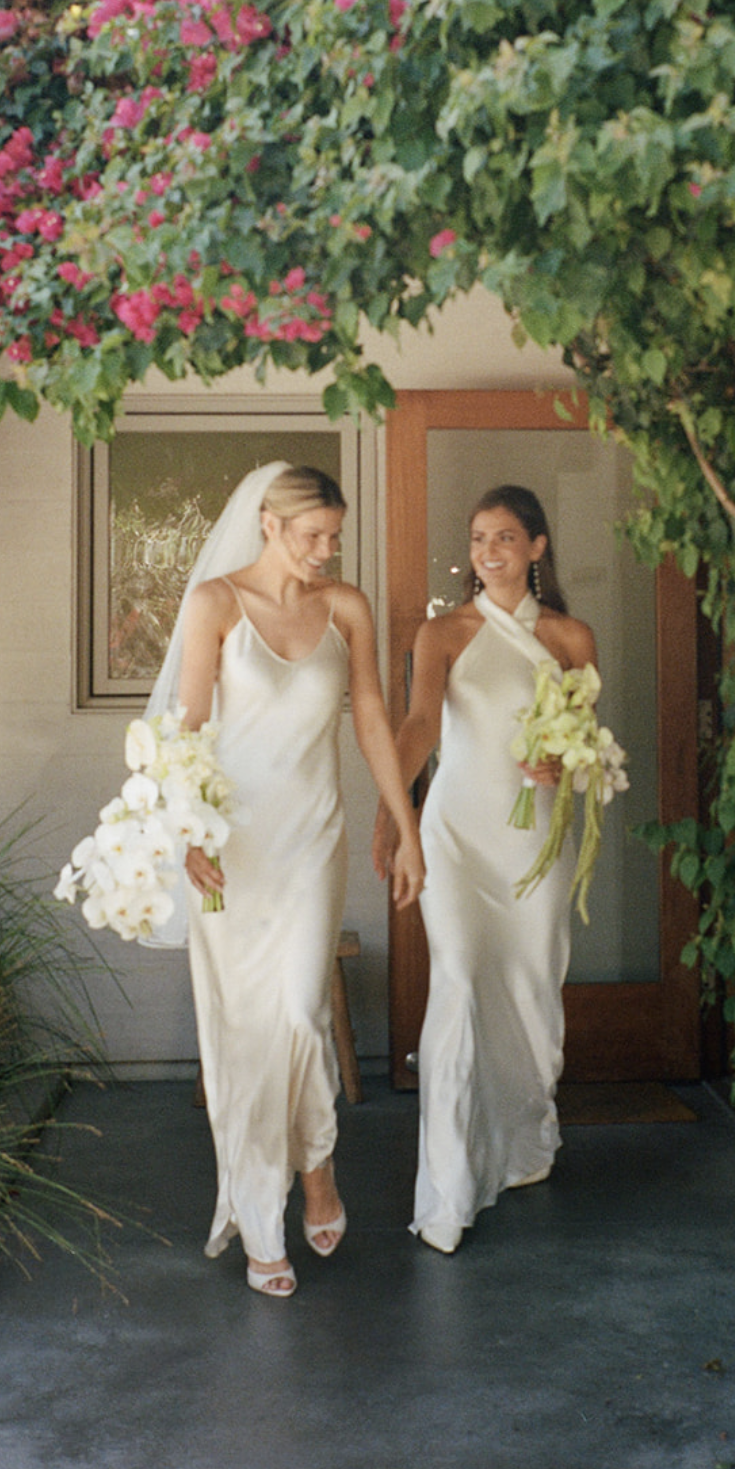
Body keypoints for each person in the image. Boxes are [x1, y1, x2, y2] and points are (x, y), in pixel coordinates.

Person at [145, 461, 425, 1297]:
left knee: (301, 1014)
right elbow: (188, 727)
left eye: (335, 536)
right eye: (314, 535)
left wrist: (404, 825)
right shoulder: (216, 607)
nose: (328, 550)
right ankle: (269, 1209)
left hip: (310, 843)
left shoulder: (347, 609)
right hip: (233, 850)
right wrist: (186, 829)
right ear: (269, 523)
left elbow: (373, 716)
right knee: (246, 1034)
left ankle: (316, 1167)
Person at [375, 484, 598, 1254]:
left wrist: (562, 768)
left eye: (504, 537)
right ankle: (446, 1187)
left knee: (532, 986)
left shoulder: (572, 637)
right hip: (458, 837)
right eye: (477, 539)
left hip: (537, 839)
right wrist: (392, 815)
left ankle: (527, 1141)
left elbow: (587, 742)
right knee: (462, 982)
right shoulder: (442, 634)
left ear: (537, 548)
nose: (488, 551)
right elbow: (417, 724)